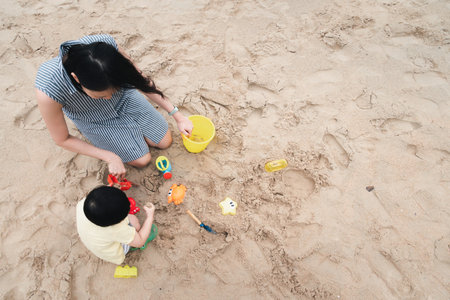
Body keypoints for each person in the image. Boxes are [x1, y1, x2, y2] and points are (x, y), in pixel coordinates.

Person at [35, 34, 193, 178]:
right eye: (101, 95)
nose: (108, 97)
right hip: (93, 118)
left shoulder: (106, 49)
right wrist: (109, 156)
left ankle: (129, 129)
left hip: (125, 98)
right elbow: (62, 139)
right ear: (76, 78)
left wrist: (177, 115)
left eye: (113, 89)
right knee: (142, 160)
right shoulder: (49, 87)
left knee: (164, 142)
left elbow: (140, 81)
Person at [76, 186, 156, 264]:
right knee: (135, 223)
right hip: (115, 255)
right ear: (117, 222)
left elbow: (104, 197)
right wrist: (150, 216)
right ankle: (131, 247)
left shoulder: (82, 204)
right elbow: (140, 242)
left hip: (94, 241)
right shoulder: (116, 230)